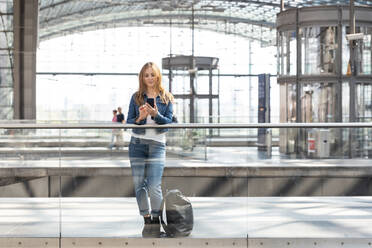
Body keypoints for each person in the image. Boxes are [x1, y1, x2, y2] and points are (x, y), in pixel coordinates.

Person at [126, 62, 174, 238]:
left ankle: (156, 219)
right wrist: (141, 117)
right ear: (142, 78)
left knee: (154, 186)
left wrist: (155, 115)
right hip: (137, 144)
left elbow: (169, 123)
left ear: (158, 76)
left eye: (152, 74)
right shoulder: (136, 97)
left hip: (157, 145)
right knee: (139, 186)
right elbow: (130, 121)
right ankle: (147, 219)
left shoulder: (166, 97)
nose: (150, 78)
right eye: (146, 75)